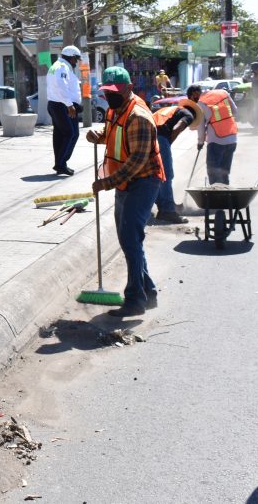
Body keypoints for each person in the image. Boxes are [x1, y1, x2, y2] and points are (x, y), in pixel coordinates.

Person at [85, 67, 165, 318]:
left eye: (114, 92)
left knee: (130, 239)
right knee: (129, 240)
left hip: (143, 181)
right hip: (124, 182)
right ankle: (148, 292)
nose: (109, 96)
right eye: (106, 92)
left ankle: (135, 300)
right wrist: (97, 135)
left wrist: (106, 182)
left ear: (129, 89)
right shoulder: (115, 109)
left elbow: (137, 162)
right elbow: (113, 134)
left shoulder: (138, 116)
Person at [151, 95, 203, 223]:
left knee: (155, 174)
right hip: (160, 137)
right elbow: (177, 128)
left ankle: (162, 207)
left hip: (146, 135)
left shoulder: (170, 109)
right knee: (166, 174)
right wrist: (168, 143)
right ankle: (168, 211)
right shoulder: (188, 115)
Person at [47, 45, 83, 176]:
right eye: (76, 59)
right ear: (71, 57)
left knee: (60, 135)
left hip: (58, 104)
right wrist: (69, 105)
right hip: (62, 106)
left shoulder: (57, 66)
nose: (76, 62)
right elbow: (61, 86)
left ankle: (60, 163)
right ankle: (61, 164)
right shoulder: (62, 67)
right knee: (70, 134)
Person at [196, 85, 239, 185]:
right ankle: (226, 193)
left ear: (194, 95)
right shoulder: (223, 93)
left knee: (214, 173)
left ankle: (216, 194)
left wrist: (200, 142)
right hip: (232, 138)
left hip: (216, 141)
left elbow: (200, 127)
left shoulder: (201, 102)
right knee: (224, 173)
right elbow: (235, 111)